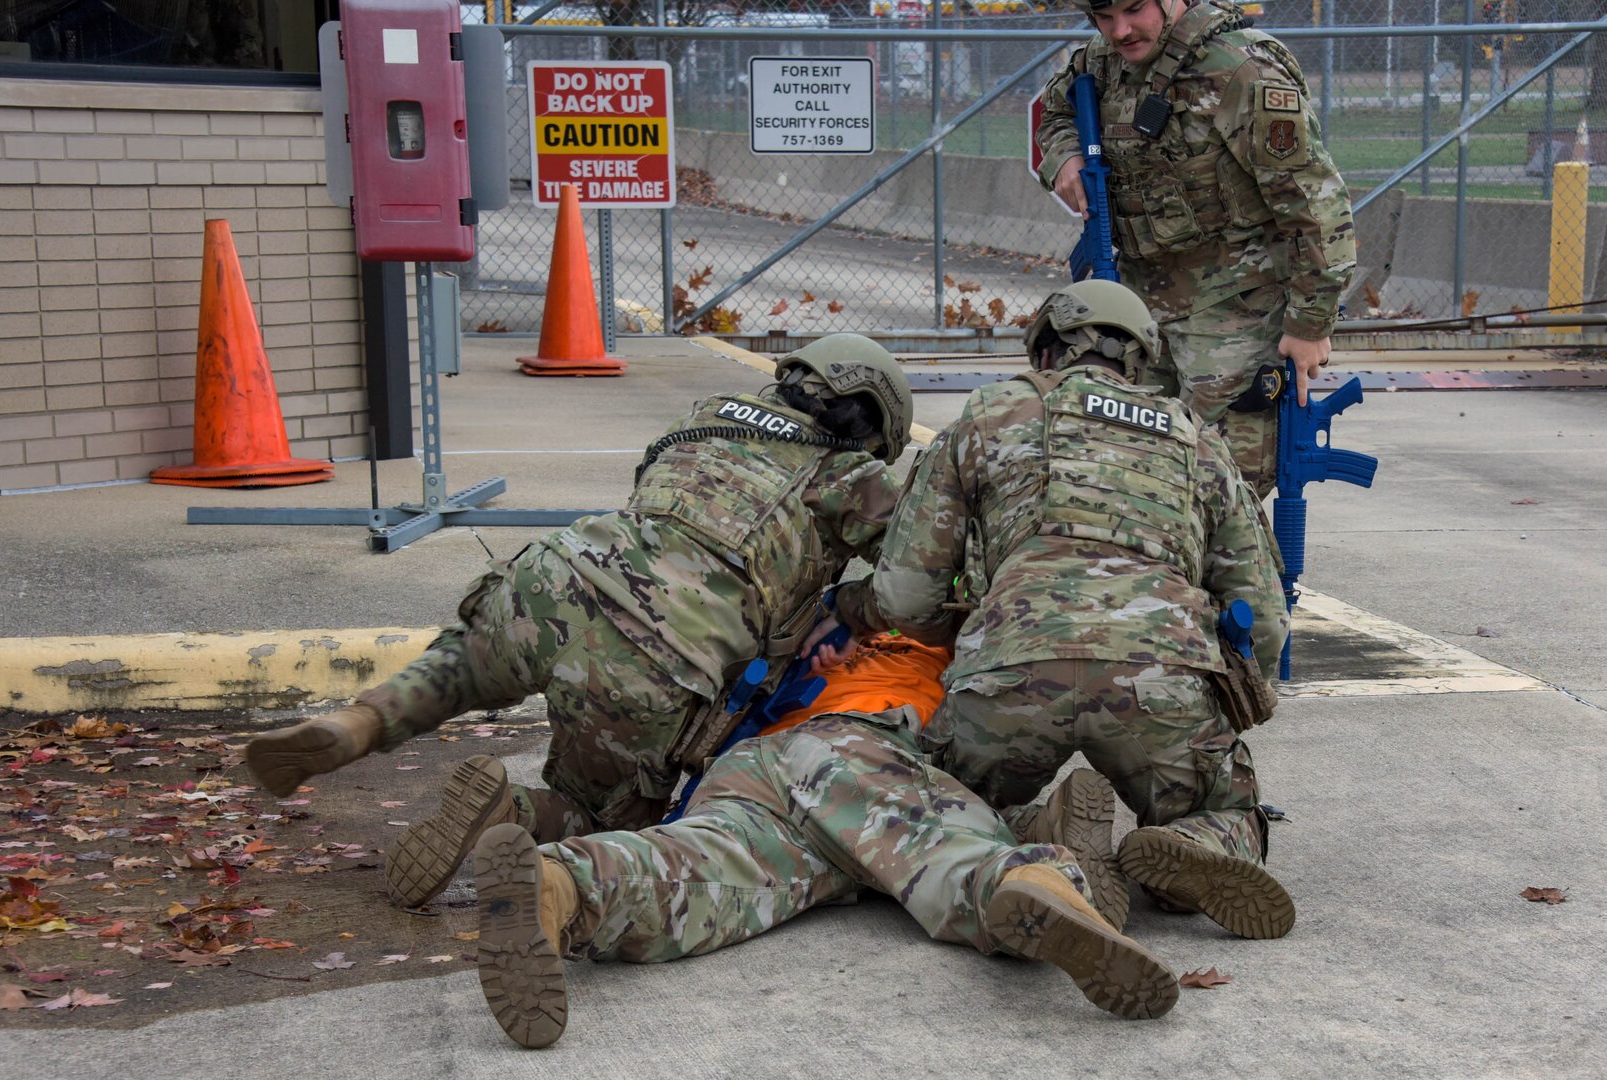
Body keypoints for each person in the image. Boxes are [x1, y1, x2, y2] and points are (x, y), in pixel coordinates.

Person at [243, 334, 913, 908]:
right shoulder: (851, 477)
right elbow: (920, 577)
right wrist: (850, 610)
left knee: (462, 664)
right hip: (659, 649)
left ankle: (355, 723)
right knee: (608, 816)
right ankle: (512, 815)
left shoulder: (706, 417)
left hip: (556, 575)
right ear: (871, 422)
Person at [821, 282, 1295, 941]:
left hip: (1013, 672)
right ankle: (1201, 842)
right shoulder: (1198, 441)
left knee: (938, 806)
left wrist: (845, 606)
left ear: (1045, 350)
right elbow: (1262, 610)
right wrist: (1244, 699)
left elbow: (907, 598)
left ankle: (1035, 842)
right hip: (1160, 678)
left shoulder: (988, 417)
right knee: (1230, 806)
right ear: (1137, 361)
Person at [461, 634, 1180, 1050]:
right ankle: (1030, 882)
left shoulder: (809, 641)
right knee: (945, 847)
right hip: (852, 749)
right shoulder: (945, 647)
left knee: (696, 875)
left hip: (744, 770)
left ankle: (560, 887)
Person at [1035, 0, 1356, 495]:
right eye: (1102, 17)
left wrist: (1310, 323)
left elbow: (1316, 204)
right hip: (1139, 308)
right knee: (1128, 473)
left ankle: (1242, 574)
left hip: (1234, 312)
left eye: (1133, 9)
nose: (1119, 30)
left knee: (1220, 486)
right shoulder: (1099, 62)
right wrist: (1063, 157)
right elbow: (1056, 110)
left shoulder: (1242, 71)